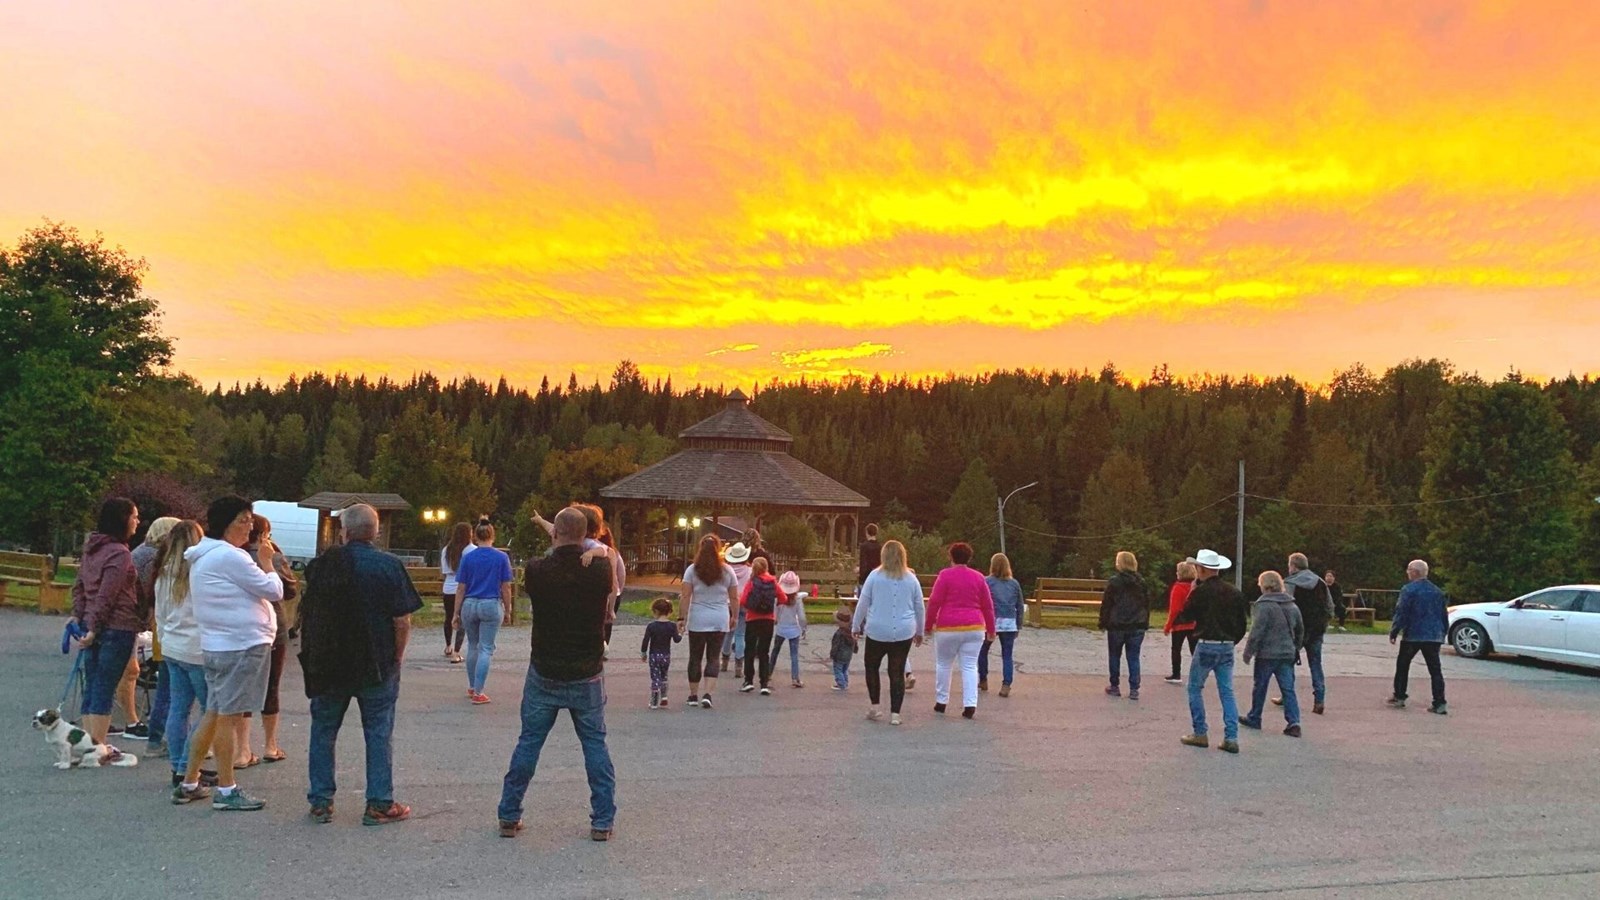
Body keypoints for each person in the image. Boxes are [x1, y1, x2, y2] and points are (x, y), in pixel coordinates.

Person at [498, 507, 617, 841]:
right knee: (595, 745)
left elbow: (559, 544)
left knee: (529, 743)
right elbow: (597, 550)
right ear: (587, 535)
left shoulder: (537, 570)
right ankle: (602, 820)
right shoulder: (600, 570)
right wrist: (595, 549)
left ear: (554, 535)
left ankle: (509, 813)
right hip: (587, 671)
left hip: (545, 669)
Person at [299, 503, 422, 825]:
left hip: (328, 661)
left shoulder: (321, 566)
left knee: (324, 730)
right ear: (376, 531)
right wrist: (397, 656)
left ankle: (321, 800)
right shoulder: (388, 566)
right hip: (375, 661)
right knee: (379, 732)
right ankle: (379, 802)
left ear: (344, 530)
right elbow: (402, 620)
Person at [178, 495, 284, 811]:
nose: (249, 526)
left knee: (213, 713)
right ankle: (226, 789)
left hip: (219, 644)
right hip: (240, 645)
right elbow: (273, 590)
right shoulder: (230, 557)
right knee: (228, 715)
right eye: (243, 520)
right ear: (226, 524)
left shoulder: (204, 556)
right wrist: (268, 563)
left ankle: (189, 781)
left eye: (251, 519)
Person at [69, 497, 143, 753]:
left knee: (92, 683)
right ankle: (98, 746)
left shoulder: (92, 549)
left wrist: (79, 617)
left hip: (93, 623)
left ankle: (89, 743)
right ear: (123, 519)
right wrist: (94, 627)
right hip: (117, 626)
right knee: (104, 686)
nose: (137, 521)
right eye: (134, 516)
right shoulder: (120, 553)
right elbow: (107, 595)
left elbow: (80, 587)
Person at [154, 521, 216, 794]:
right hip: (197, 648)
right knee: (209, 710)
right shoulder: (199, 572)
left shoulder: (163, 573)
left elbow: (160, 613)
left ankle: (179, 764)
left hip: (172, 646)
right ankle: (188, 766)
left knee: (178, 708)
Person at [235, 513, 298, 767]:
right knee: (271, 686)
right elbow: (291, 590)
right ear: (262, 535)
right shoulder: (274, 557)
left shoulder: (235, 557)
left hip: (242, 629)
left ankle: (243, 749)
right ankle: (270, 745)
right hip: (274, 626)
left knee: (244, 688)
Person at [1175, 549, 1249, 754]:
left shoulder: (1200, 592)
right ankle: (1231, 736)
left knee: (1194, 688)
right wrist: (1232, 640)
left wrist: (1192, 591)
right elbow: (1243, 624)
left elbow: (1186, 615)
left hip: (1207, 642)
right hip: (1226, 645)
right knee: (1227, 691)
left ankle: (1200, 732)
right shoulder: (1234, 592)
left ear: (1202, 569)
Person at [852, 539, 925, 724]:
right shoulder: (911, 579)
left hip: (877, 629)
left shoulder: (874, 576)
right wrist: (920, 631)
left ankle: (875, 706)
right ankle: (895, 714)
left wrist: (856, 625)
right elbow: (919, 607)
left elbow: (863, 602)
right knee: (897, 671)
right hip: (903, 631)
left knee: (872, 666)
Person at [925, 542, 995, 720]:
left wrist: (928, 625)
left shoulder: (945, 575)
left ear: (951, 557)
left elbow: (934, 601)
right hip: (974, 626)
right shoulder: (979, 577)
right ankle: (970, 704)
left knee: (944, 664)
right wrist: (991, 629)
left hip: (948, 626)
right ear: (969, 558)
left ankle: (942, 701)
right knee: (970, 666)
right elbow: (987, 606)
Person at [133, 516, 182, 754]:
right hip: (163, 626)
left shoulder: (142, 552)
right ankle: (163, 736)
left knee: (166, 684)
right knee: (172, 688)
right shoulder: (159, 559)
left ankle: (157, 735)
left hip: (157, 625)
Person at [453, 522, 514, 704]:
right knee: (486, 648)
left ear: (475, 537)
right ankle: (479, 691)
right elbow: (506, 586)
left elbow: (461, 588)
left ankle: (472, 687)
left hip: (470, 603)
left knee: (472, 645)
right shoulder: (501, 557)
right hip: (490, 603)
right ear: (492, 535)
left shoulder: (468, 557)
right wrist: (508, 609)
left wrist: (456, 612)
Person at [1240, 571, 1306, 737]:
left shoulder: (1263, 606)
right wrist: (1295, 647)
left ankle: (1255, 717)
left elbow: (1257, 631)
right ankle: (1294, 722)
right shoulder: (1292, 605)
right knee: (1288, 689)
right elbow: (1300, 630)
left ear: (1266, 586)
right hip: (1287, 653)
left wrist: (1248, 652)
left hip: (1267, 654)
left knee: (1260, 686)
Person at [678, 535, 738, 709]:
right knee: (713, 657)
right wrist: (734, 616)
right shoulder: (727, 571)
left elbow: (686, 596)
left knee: (695, 657)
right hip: (719, 617)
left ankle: (693, 694)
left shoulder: (692, 570)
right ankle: (708, 694)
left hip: (698, 617)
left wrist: (682, 617)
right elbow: (734, 597)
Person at [1387, 559, 1449, 715]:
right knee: (1435, 670)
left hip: (1413, 634)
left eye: (1408, 570)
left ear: (1414, 572)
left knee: (1403, 664)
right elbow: (1443, 614)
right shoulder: (1437, 591)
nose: (1407, 573)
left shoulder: (1408, 590)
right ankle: (1439, 702)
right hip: (1433, 635)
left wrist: (1395, 630)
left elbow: (1402, 611)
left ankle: (1400, 695)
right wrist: (1443, 631)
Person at [1282, 552, 1333, 715]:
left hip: (1297, 630)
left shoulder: (1289, 582)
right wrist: (1324, 623)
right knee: (1315, 664)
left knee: (1286, 664)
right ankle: (1319, 700)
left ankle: (1286, 696)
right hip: (1316, 629)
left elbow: (1286, 607)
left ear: (1294, 566)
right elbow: (1329, 605)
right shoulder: (1320, 582)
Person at [1100, 551, 1150, 700]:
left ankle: (1114, 685)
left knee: (1115, 655)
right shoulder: (1141, 582)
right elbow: (1146, 603)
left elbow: (1107, 604)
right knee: (1133, 657)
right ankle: (1134, 688)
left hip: (1117, 624)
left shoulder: (1114, 582)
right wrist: (1145, 621)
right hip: (1137, 624)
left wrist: (1103, 621)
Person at [980, 553, 1023, 697]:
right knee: (1007, 655)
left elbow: (982, 602)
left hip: (991, 621)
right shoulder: (1014, 584)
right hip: (1009, 622)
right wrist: (1019, 624)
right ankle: (1006, 684)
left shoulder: (987, 581)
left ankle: (983, 678)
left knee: (983, 650)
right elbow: (1019, 605)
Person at [739, 557, 781, 695]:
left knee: (749, 650)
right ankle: (764, 683)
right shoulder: (773, 581)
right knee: (764, 652)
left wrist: (751, 606)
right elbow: (783, 598)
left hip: (752, 618)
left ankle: (748, 681)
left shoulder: (752, 582)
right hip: (768, 619)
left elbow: (744, 599)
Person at [440, 522, 473, 663]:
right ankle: (457, 651)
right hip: (464, 587)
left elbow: (444, 571)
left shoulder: (446, 550)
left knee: (449, 617)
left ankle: (448, 646)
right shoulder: (471, 550)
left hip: (448, 587)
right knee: (462, 620)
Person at [640, 597, 681, 708]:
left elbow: (646, 641)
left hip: (654, 655)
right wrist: (681, 632)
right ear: (669, 611)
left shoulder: (651, 626)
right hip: (666, 655)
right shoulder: (672, 626)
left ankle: (654, 700)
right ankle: (664, 697)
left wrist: (643, 653)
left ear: (656, 611)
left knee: (655, 677)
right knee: (664, 676)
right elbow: (677, 640)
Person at [720, 541, 753, 678]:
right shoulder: (750, 571)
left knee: (728, 633)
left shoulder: (726, 570)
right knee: (740, 635)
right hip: (744, 604)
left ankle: (725, 660)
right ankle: (739, 663)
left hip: (728, 603)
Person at [1163, 560, 1199, 684]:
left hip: (1180, 624)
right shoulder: (1196, 587)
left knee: (1176, 649)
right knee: (1194, 650)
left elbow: (1174, 609)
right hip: (1194, 623)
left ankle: (1176, 674)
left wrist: (1168, 626)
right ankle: (1198, 675)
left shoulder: (1178, 587)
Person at [770, 571, 807, 688]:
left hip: (781, 629)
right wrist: (804, 628)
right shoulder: (798, 600)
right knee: (794, 655)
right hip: (794, 630)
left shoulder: (778, 600)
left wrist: (775, 622)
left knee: (775, 652)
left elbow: (774, 616)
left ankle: (768, 674)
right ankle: (795, 678)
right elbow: (801, 617)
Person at [830, 609, 857, 691]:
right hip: (848, 655)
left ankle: (841, 684)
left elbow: (836, 645)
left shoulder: (839, 633)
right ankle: (845, 682)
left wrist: (832, 654)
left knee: (837, 669)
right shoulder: (850, 632)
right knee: (844, 669)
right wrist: (855, 649)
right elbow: (854, 643)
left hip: (839, 655)